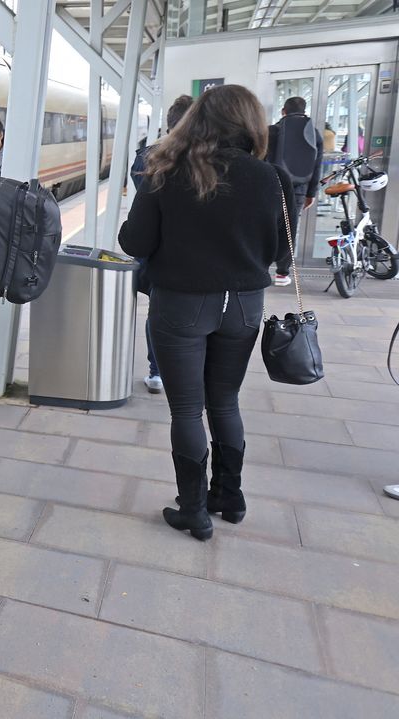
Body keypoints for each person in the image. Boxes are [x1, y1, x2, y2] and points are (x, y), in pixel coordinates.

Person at [118, 84, 293, 542]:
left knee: (187, 411)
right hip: (243, 307)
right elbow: (278, 252)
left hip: (181, 305)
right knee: (226, 402)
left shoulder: (167, 171)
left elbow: (133, 243)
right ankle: (229, 498)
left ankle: (193, 512)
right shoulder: (270, 177)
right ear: (251, 123)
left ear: (196, 121)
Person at [130, 94, 195, 394]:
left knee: (158, 311)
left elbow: (143, 211)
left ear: (169, 124)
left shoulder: (146, 157)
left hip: (158, 252)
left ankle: (157, 372)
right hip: (196, 255)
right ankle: (188, 372)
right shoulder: (207, 160)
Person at [266, 96, 323, 286]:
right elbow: (317, 166)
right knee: (290, 228)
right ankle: (282, 273)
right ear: (305, 111)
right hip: (298, 189)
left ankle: (262, 267)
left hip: (271, 186)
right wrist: (311, 193)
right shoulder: (314, 134)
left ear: (283, 111)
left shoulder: (272, 131)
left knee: (266, 226)